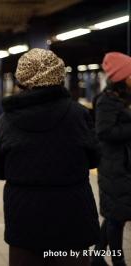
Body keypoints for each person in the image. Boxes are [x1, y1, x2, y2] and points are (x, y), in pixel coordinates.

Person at [0, 48, 100, 266]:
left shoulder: (5, 121)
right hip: (72, 215)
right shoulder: (78, 114)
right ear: (59, 76)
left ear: (22, 79)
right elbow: (95, 159)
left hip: (25, 218)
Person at [92, 52, 131, 266]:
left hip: (123, 165)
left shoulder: (123, 99)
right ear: (122, 77)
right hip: (113, 166)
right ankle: (119, 262)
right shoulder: (107, 101)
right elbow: (104, 132)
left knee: (116, 216)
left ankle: (96, 259)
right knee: (117, 218)